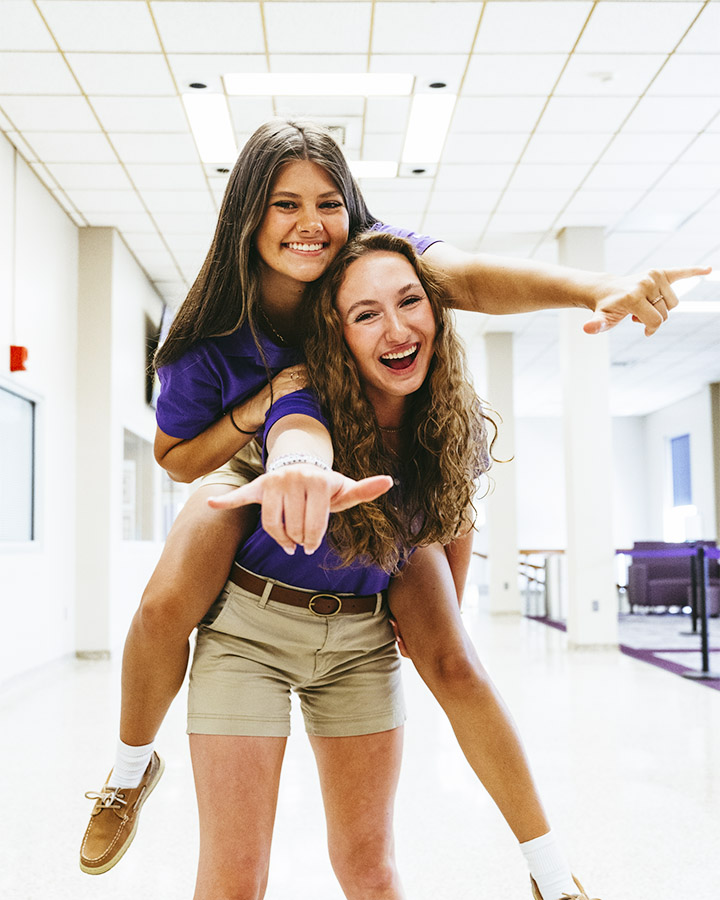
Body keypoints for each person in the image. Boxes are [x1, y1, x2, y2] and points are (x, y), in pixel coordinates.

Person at [80, 118, 703, 896]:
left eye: (328, 202)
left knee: (450, 667)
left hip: (378, 523)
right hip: (248, 471)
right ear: (247, 213)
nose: (311, 224)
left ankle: (552, 875)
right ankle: (128, 770)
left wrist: (589, 287)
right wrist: (274, 429)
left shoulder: (373, 263)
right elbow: (234, 444)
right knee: (177, 579)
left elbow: (469, 279)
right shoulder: (217, 338)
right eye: (284, 204)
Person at [187, 230, 491, 899]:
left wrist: (443, 619)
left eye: (410, 302)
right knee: (234, 878)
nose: (394, 328)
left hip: (359, 643)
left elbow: (453, 523)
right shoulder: (301, 393)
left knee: (372, 871)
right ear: (336, 334)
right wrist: (299, 466)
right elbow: (295, 441)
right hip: (249, 628)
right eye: (363, 313)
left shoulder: (443, 424)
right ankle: (126, 772)